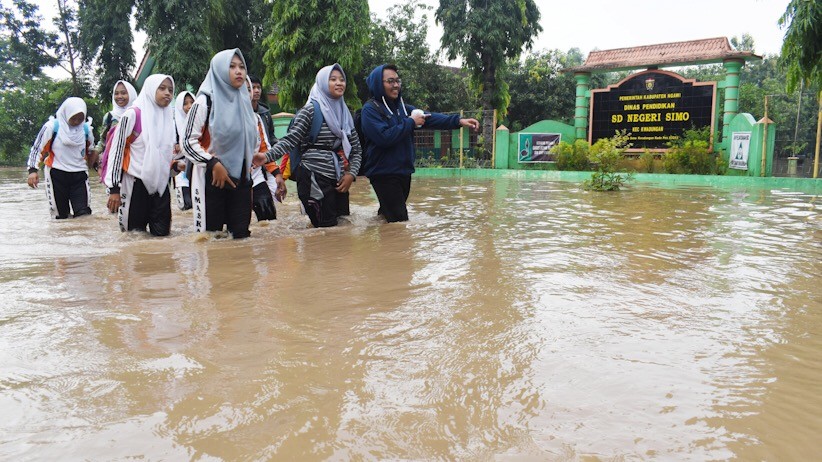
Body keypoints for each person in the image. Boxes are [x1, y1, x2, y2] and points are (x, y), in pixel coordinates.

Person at [184, 49, 283, 239]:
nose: (239, 71)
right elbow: (188, 142)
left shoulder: (244, 103)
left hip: (242, 181)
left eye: (241, 67)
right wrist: (213, 163)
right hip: (211, 180)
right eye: (232, 66)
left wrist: (258, 163)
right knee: (211, 239)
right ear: (219, 69)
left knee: (241, 238)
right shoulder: (204, 102)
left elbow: (255, 142)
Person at [360, 64, 479, 222]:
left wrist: (458, 120)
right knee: (399, 221)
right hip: (384, 173)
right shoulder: (370, 110)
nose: (396, 85)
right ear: (378, 84)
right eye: (390, 81)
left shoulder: (402, 108)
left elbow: (430, 118)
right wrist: (410, 122)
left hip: (403, 171)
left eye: (397, 80)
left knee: (387, 218)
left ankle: (378, 239)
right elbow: (384, 137)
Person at [255, 63, 362, 228]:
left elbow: (356, 150)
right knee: (325, 229)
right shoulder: (311, 110)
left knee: (342, 230)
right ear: (322, 83)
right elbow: (291, 140)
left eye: (342, 79)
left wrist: (351, 175)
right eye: (332, 79)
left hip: (339, 179)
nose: (339, 83)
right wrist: (266, 157)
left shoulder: (344, 114)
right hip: (313, 178)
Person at [104, 74, 177, 236]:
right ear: (151, 90)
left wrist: (175, 167)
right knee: (134, 238)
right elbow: (116, 152)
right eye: (162, 88)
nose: (167, 93)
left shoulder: (167, 118)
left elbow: (163, 154)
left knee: (163, 238)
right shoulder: (132, 115)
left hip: (161, 186)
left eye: (171, 90)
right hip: (135, 185)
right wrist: (114, 188)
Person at [26, 97, 95, 219]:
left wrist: (97, 167)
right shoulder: (52, 127)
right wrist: (32, 171)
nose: (76, 121)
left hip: (79, 175)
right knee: (60, 217)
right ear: (66, 114)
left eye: (80, 118)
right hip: (56, 175)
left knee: (84, 215)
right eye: (73, 118)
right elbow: (37, 149)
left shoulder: (86, 130)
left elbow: (90, 151)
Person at [246, 76, 282, 222]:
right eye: (249, 89)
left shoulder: (261, 116)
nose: (254, 91)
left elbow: (265, 147)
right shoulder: (225, 116)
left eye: (257, 88)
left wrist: (277, 174)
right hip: (232, 177)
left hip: (257, 172)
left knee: (268, 219)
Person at [95, 80, 137, 175]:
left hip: (134, 164)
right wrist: (96, 158)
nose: (119, 97)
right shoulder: (109, 117)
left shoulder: (138, 115)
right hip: (113, 164)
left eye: (123, 93)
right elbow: (103, 141)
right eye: (116, 93)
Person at [172, 90, 195, 210]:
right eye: (185, 103)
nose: (189, 106)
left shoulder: (199, 121)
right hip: (181, 169)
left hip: (196, 167)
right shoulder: (173, 124)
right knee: (186, 205)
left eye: (192, 102)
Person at [248, 74, 275, 143]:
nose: (257, 91)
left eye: (259, 87)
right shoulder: (240, 113)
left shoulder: (265, 113)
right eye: (253, 87)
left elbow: (271, 136)